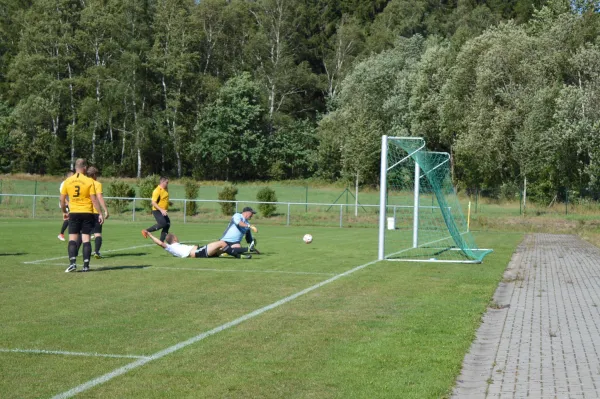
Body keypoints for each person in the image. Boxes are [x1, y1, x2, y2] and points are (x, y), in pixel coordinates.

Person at [60, 158, 104, 272]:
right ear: (84, 168)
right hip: (87, 212)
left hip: (74, 212)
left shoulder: (67, 181)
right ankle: (86, 266)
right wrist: (100, 213)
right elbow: (94, 199)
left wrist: (64, 212)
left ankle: (73, 263)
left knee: (72, 239)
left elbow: (62, 199)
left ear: (75, 168)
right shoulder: (89, 181)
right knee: (86, 239)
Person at [142, 230, 251, 259]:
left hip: (201, 250)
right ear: (174, 239)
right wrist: (150, 235)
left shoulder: (175, 246)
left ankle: (247, 250)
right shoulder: (171, 247)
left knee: (231, 247)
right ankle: (241, 254)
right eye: (176, 236)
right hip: (199, 252)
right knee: (222, 243)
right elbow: (161, 243)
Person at [87, 166, 110, 259]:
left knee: (85, 234)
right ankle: (96, 252)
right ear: (94, 175)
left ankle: (84, 252)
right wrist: (105, 210)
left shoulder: (84, 183)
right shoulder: (97, 184)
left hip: (85, 211)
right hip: (95, 211)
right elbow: (99, 197)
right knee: (97, 233)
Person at [142, 176, 171, 242]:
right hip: (157, 210)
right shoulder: (157, 191)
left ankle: (161, 241)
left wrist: (169, 203)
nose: (167, 184)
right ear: (162, 182)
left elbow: (163, 199)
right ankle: (146, 231)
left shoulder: (165, 189)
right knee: (163, 223)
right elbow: (153, 203)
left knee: (167, 224)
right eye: (167, 182)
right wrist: (161, 210)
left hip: (163, 211)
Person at [57, 170, 74, 241]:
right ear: (69, 176)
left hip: (71, 204)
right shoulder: (64, 183)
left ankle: (81, 233)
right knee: (68, 218)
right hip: (65, 204)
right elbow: (62, 197)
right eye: (73, 175)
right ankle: (61, 234)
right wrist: (68, 203)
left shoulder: (72, 183)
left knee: (72, 218)